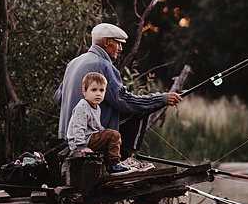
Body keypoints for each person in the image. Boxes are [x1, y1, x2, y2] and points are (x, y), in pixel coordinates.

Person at [55, 23, 182, 169]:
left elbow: (58, 98)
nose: (120, 48)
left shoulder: (73, 63)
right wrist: (161, 98)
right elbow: (124, 101)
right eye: (118, 43)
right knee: (139, 110)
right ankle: (124, 159)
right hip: (90, 137)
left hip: (68, 135)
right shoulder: (104, 65)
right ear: (107, 42)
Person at [66, 72, 130, 174]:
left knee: (110, 135)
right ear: (84, 91)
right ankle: (113, 164)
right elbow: (78, 127)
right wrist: (81, 146)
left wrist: (103, 132)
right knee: (114, 135)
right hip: (81, 141)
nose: (98, 93)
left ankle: (109, 164)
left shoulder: (97, 108)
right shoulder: (82, 106)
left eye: (101, 90)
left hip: (89, 138)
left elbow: (96, 126)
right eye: (94, 90)